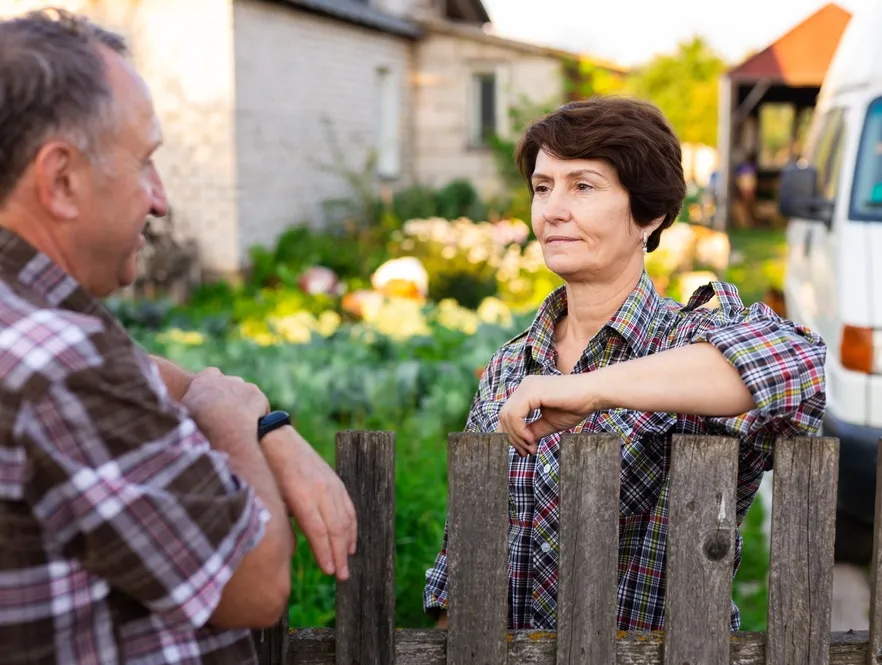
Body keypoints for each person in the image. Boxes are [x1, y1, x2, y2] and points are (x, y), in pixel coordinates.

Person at [0, 9, 356, 664]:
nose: (160, 200)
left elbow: (138, 366)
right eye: (145, 162)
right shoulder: (61, 365)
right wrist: (235, 420)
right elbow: (253, 584)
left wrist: (270, 426)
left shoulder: (31, 320)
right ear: (62, 180)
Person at [423, 97, 826, 632]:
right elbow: (463, 569)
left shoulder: (690, 337)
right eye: (543, 188)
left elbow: (800, 366)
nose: (553, 210)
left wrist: (591, 390)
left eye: (583, 186)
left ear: (650, 214)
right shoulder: (508, 367)